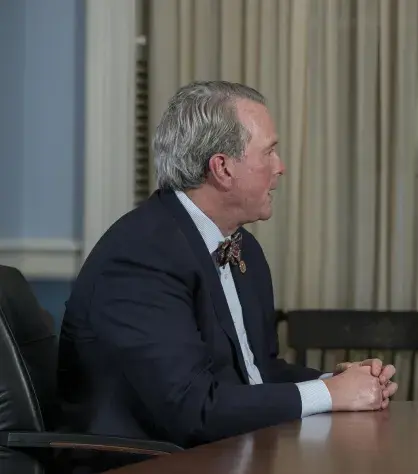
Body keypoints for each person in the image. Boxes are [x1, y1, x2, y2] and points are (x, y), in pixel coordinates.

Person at [58, 81, 398, 448]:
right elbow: (191, 409)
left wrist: (339, 381)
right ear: (222, 168)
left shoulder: (242, 247)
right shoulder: (142, 257)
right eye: (269, 152)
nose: (280, 167)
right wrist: (331, 395)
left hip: (223, 466)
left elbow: (256, 373)